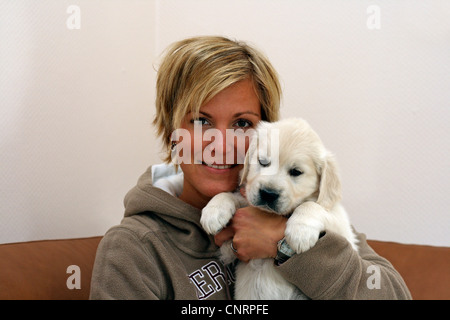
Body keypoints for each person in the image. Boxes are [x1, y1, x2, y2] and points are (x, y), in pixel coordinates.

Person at [89, 36, 411, 300]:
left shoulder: (305, 213)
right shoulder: (135, 248)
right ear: (173, 134)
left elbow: (395, 295)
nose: (222, 145)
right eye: (201, 121)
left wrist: (285, 246)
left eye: (242, 124)